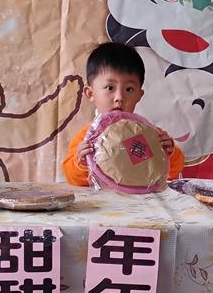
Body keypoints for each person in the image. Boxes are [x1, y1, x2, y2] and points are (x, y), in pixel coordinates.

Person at [63, 42, 185, 186]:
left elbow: (168, 172)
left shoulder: (145, 135)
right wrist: (81, 162)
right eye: (110, 88)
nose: (119, 97)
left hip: (138, 199)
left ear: (139, 95)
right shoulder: (86, 138)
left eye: (129, 89)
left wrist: (169, 152)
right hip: (102, 199)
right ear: (90, 93)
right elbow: (72, 178)